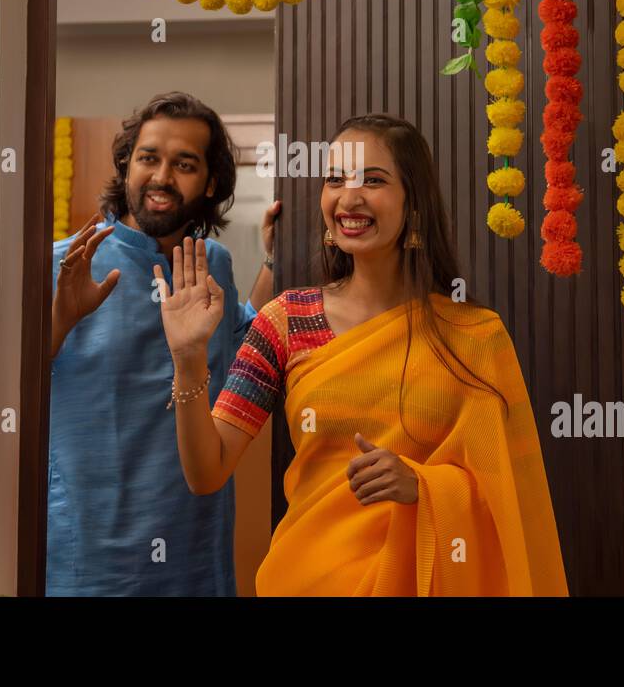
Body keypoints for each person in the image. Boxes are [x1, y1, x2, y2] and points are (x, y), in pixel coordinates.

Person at [156, 114, 568, 596]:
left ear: (413, 203)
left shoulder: (472, 335)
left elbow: (510, 500)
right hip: (305, 580)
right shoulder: (285, 320)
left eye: (373, 180)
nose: (349, 198)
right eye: (335, 180)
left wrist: (424, 487)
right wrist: (188, 359)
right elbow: (208, 471)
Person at [47, 91, 280, 596]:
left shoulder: (211, 264)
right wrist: (59, 322)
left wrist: (273, 261)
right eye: (149, 158)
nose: (161, 177)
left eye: (185, 164)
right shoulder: (64, 265)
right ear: (127, 165)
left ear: (211, 181)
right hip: (90, 558)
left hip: (193, 549)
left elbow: (243, 345)